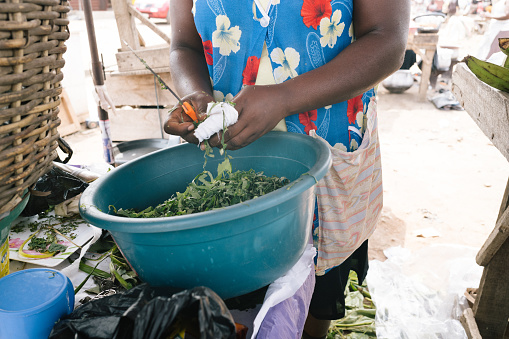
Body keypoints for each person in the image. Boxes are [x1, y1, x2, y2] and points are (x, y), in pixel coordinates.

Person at [164, 1, 410, 338]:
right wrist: (196, 94)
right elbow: (184, 45)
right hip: (228, 158)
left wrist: (285, 97)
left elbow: (387, 39)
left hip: (328, 152)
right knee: (229, 295)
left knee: (315, 290)